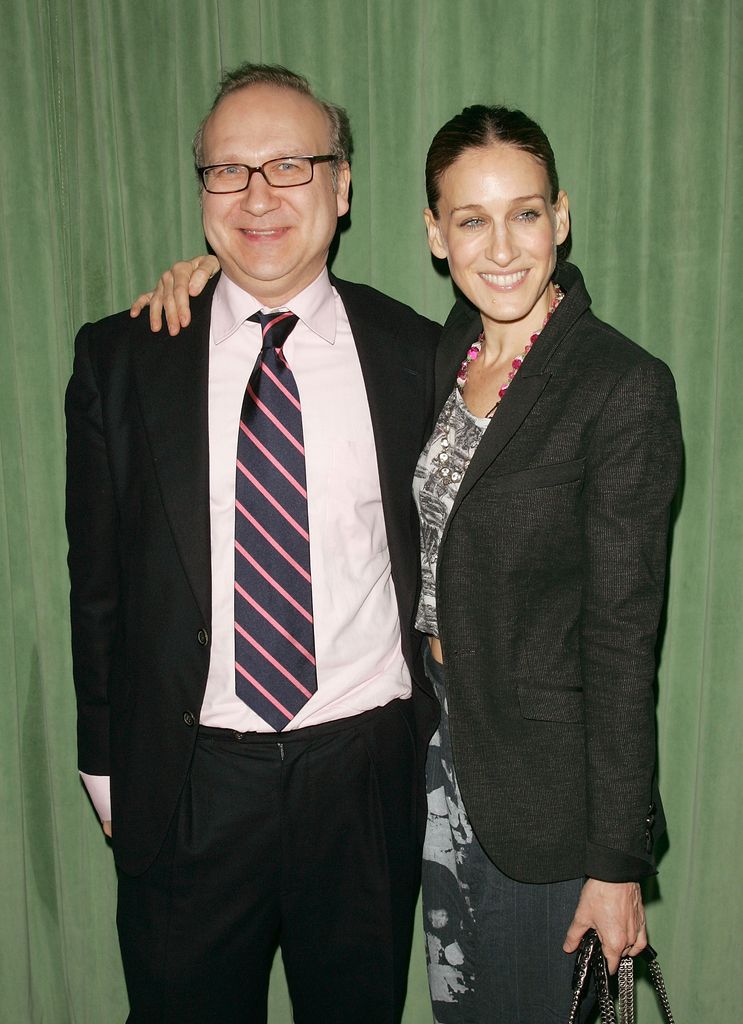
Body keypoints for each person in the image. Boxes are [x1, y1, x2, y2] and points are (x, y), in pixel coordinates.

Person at [137, 105, 681, 1023]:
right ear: (435, 234)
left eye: (525, 213)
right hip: (429, 768)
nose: (501, 247)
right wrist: (210, 275)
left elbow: (626, 645)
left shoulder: (617, 385)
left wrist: (615, 863)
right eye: (471, 219)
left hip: (546, 798)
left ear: (563, 217)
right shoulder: (441, 355)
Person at [65, 62, 440, 1024]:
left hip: (363, 780)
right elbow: (97, 583)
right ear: (201, 196)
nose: (259, 195)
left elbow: (538, 318)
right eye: (228, 172)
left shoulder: (421, 355)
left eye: (290, 164)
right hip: (188, 783)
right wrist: (106, 768)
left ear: (343, 184)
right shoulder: (123, 358)